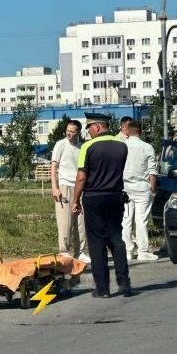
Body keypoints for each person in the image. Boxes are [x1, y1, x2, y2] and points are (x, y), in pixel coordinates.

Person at [71, 112, 133, 298]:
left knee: (96, 242)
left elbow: (82, 177)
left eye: (89, 128)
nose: (88, 132)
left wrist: (75, 200)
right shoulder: (122, 145)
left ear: (97, 127)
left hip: (94, 197)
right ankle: (124, 283)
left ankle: (102, 288)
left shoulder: (88, 147)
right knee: (116, 238)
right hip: (115, 196)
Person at [51, 119, 90, 263]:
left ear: (78, 133)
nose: (69, 133)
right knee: (65, 221)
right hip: (64, 185)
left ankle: (81, 251)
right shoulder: (60, 145)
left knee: (81, 221)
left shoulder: (82, 147)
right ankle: (64, 251)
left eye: (72, 131)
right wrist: (54, 187)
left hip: (79, 186)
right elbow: (54, 167)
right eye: (67, 130)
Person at [121, 121, 159, 261]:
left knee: (126, 220)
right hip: (142, 188)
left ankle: (127, 251)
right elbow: (152, 171)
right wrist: (153, 190)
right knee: (141, 221)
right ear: (140, 132)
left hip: (125, 188)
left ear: (127, 131)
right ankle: (143, 251)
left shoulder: (122, 146)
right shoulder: (147, 147)